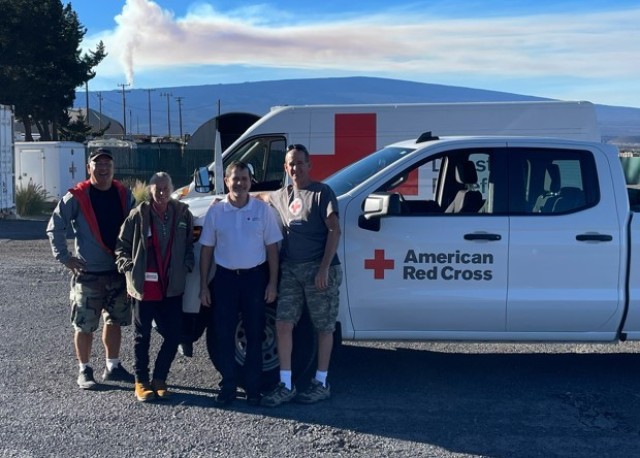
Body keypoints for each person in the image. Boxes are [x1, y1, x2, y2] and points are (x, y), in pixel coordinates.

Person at [260, 144, 343, 407]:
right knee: (283, 324)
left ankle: (321, 382)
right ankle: (285, 384)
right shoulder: (282, 195)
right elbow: (261, 196)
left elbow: (335, 231)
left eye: (299, 162)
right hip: (291, 270)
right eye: (290, 164)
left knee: (324, 327)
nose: (295, 168)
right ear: (285, 168)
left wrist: (323, 268)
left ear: (309, 165)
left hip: (319, 269)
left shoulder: (322, 193)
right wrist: (229, 197)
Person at [47, 148, 136, 390]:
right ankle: (84, 370)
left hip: (117, 273)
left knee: (114, 321)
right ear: (89, 168)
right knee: (84, 325)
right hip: (88, 275)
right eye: (98, 164)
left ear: (113, 168)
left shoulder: (123, 194)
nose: (103, 168)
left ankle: (113, 366)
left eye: (107, 164)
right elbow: (55, 225)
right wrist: (65, 257)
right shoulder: (77, 196)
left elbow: (136, 228)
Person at [199, 161, 282, 406]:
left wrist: (273, 283)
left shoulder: (261, 210)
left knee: (255, 334)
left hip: (255, 278)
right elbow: (206, 250)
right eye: (235, 178)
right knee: (224, 334)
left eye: (245, 178)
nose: (240, 183)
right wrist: (204, 285)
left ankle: (253, 389)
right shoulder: (216, 212)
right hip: (224, 279)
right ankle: (228, 386)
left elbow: (272, 250)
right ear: (226, 181)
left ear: (250, 182)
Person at [115, 172, 194, 402]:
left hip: (171, 286)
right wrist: (127, 266)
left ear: (171, 189)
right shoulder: (138, 215)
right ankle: (141, 382)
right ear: (150, 190)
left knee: (174, 334)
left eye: (165, 188)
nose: (161, 192)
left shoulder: (182, 213)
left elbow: (190, 243)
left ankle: (159, 378)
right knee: (143, 336)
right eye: (157, 188)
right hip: (144, 287)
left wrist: (188, 264)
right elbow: (122, 245)